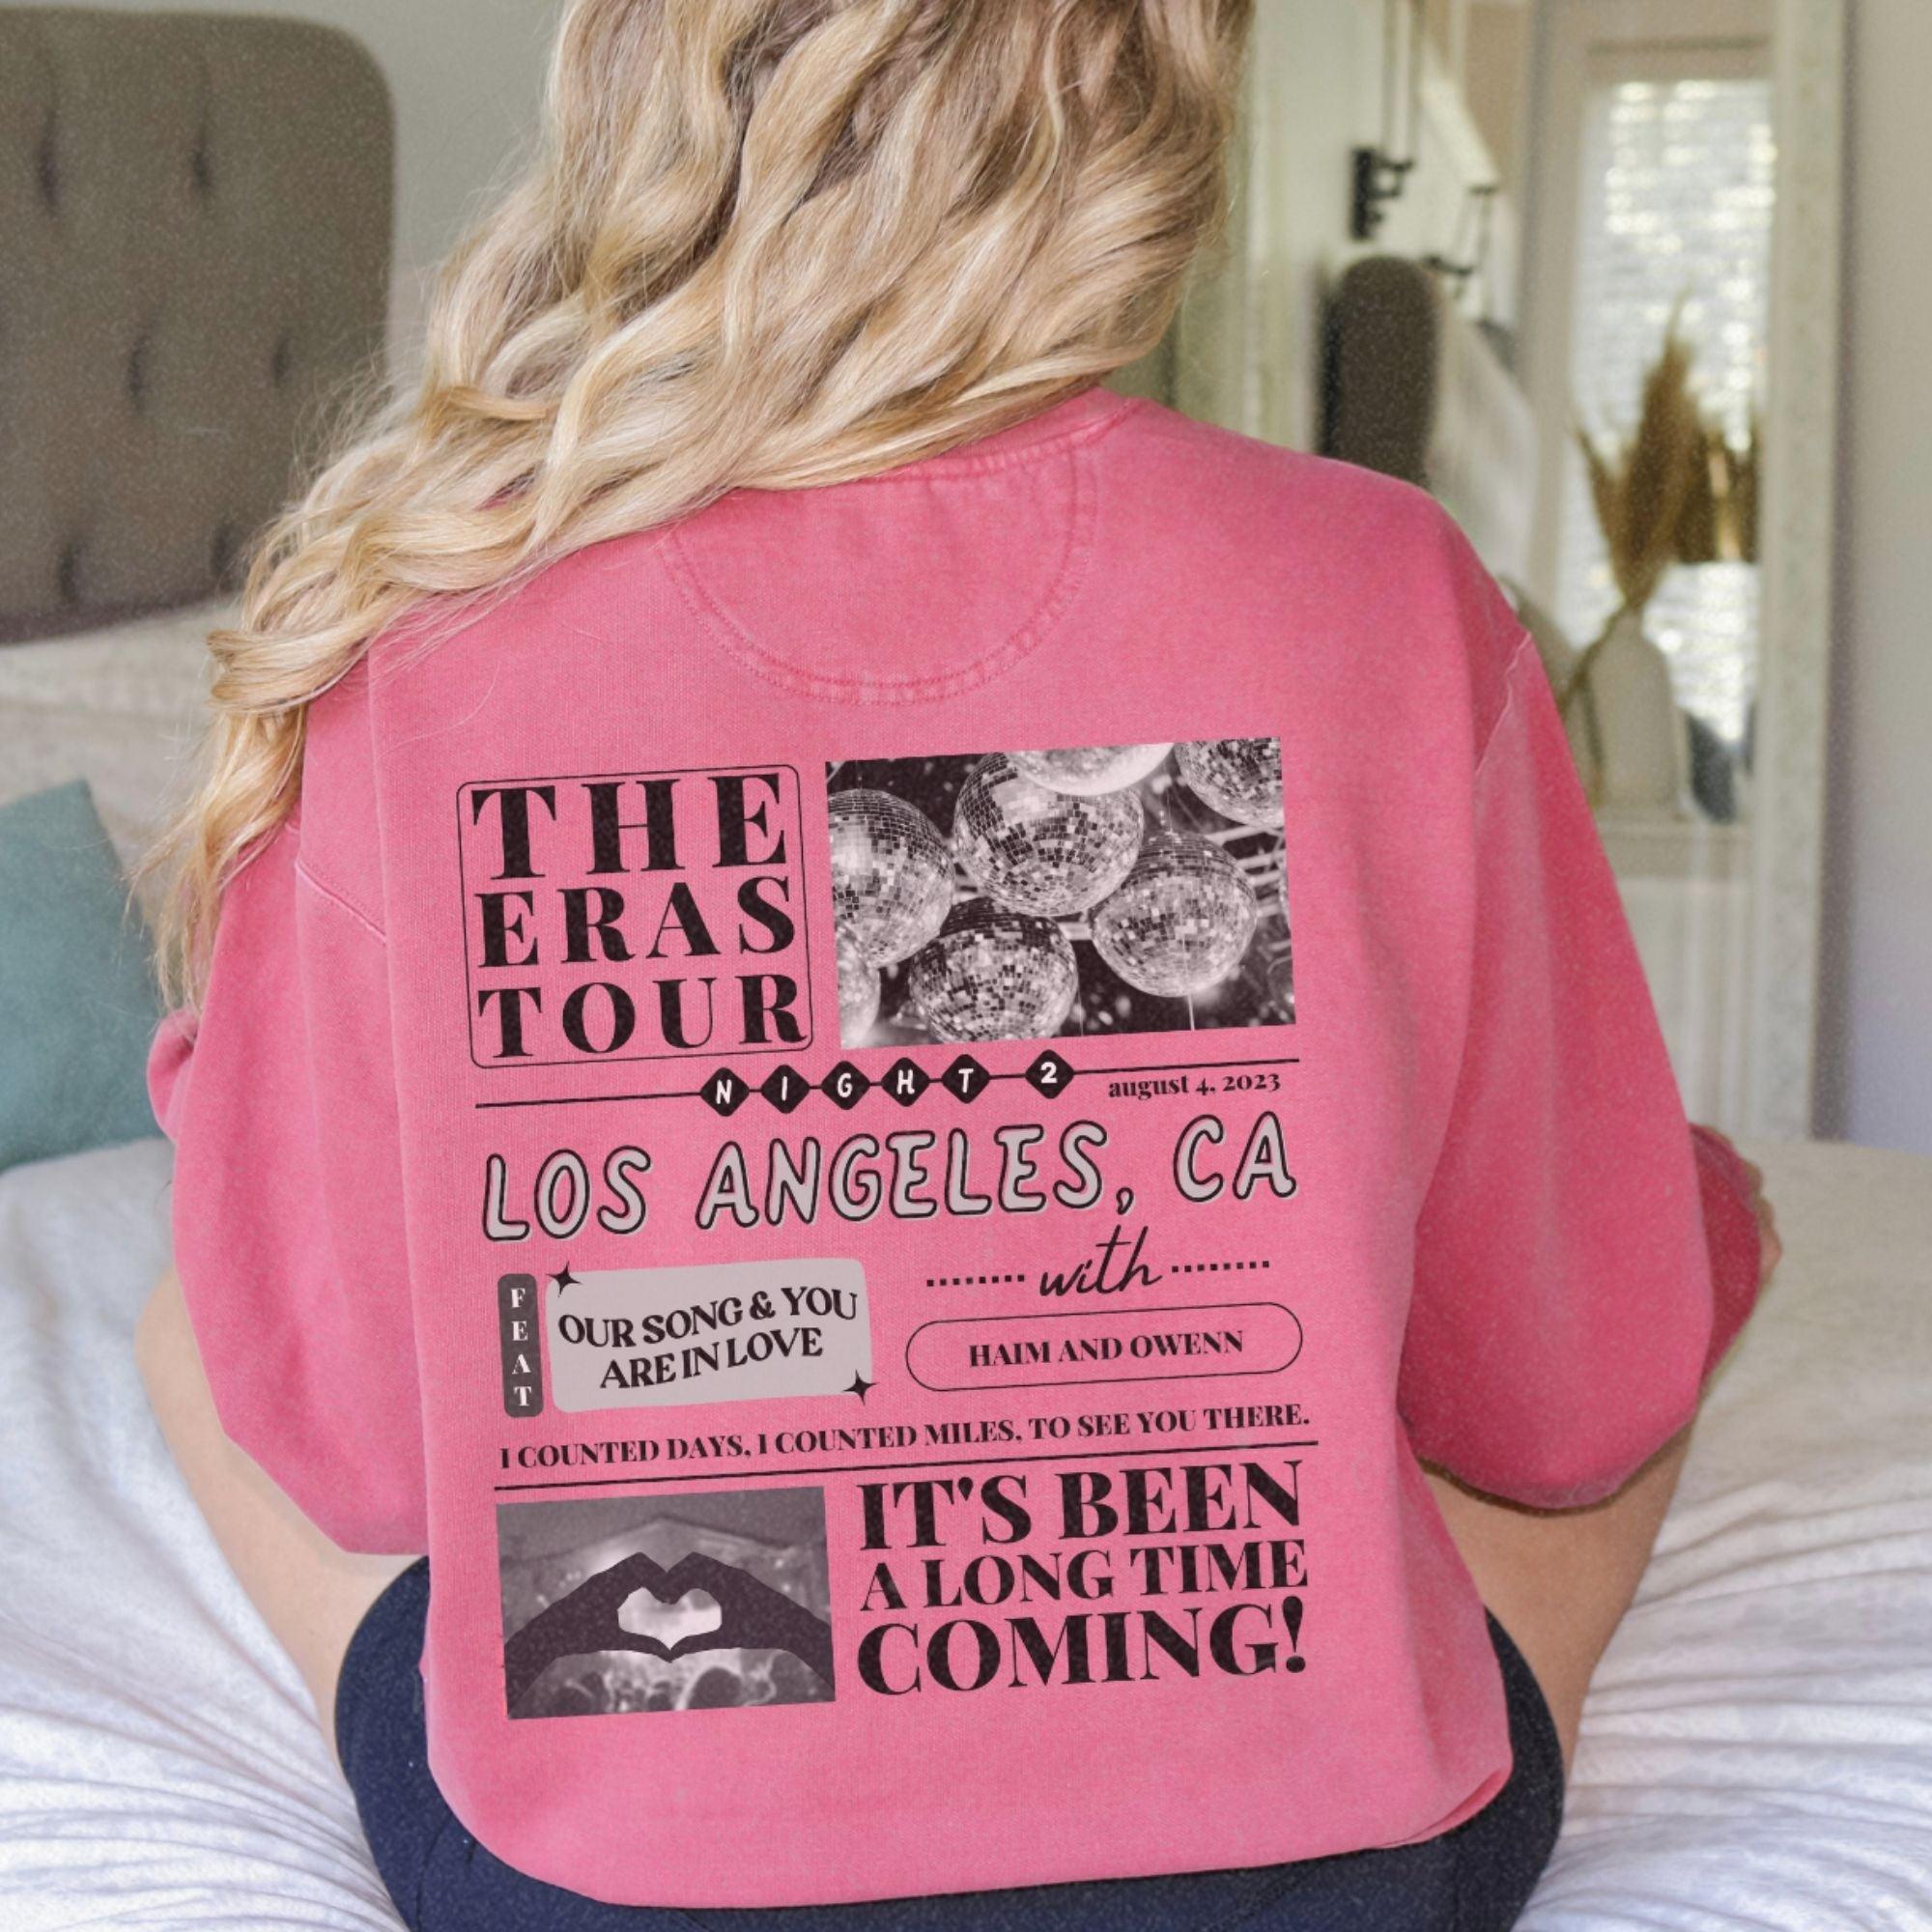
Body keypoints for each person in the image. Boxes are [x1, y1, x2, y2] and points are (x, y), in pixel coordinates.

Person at [132, 4, 1777, 1927]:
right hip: (1306, 1881)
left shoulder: (427, 646)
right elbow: (1563, 1415)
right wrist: (1688, 1222)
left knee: (187, 1318)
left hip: (632, 1891)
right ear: (1153, 100)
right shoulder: (1380, 583)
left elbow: (359, 1461)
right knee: (1662, 1261)